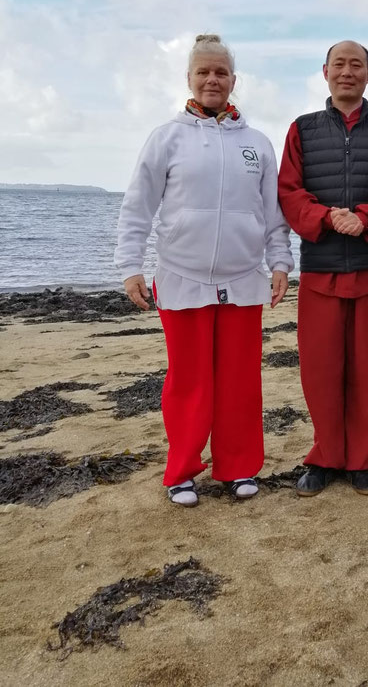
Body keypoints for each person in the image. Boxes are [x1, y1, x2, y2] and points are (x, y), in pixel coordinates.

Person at [115, 34, 293, 507]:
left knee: (239, 380)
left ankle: (237, 468)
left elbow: (273, 213)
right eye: (203, 72)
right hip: (181, 277)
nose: (212, 80)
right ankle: (182, 472)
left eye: (221, 72)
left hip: (242, 279)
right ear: (190, 79)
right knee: (189, 381)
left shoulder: (256, 143)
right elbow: (138, 206)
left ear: (234, 80)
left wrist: (280, 262)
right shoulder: (167, 137)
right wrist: (130, 265)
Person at [278, 41, 368, 497]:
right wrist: (327, 217)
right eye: (340, 64)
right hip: (321, 270)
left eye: (357, 65)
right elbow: (289, 193)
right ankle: (326, 457)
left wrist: (366, 218)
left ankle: (363, 462)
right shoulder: (302, 129)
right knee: (320, 371)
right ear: (325, 72)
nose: (347, 72)